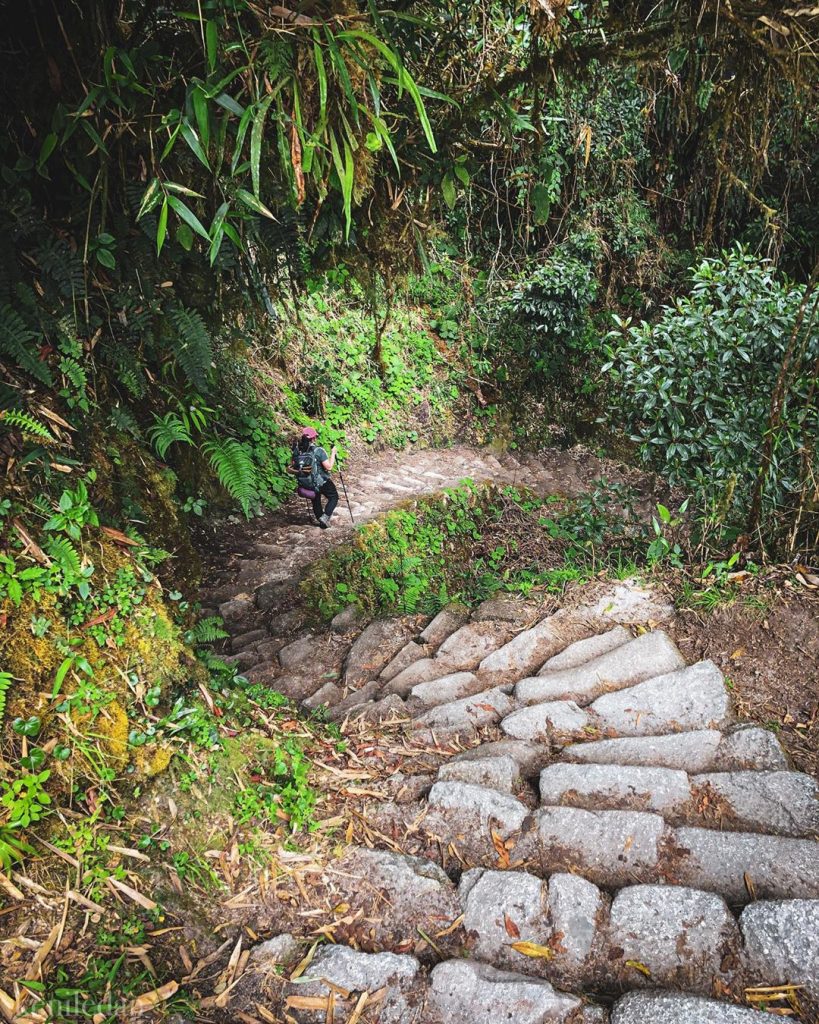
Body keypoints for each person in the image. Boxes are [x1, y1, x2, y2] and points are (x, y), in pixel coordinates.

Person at [295, 426, 339, 529]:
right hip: (321, 481)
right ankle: (325, 517)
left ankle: (321, 520)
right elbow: (329, 467)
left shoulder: (300, 452)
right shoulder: (319, 450)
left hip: (307, 483)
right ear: (314, 438)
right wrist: (333, 453)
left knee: (316, 499)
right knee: (334, 496)